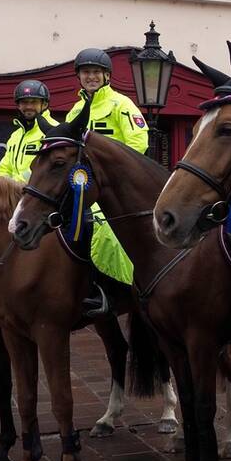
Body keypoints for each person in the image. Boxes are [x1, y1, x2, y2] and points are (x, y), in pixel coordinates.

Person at [66, 48, 151, 316]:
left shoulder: (121, 104)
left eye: (95, 72)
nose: (90, 77)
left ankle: (115, 291)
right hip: (83, 187)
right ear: (79, 77)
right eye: (85, 72)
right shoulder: (75, 111)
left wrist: (115, 171)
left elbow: (139, 141)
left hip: (115, 187)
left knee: (103, 232)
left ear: (106, 76)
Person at [0, 79, 59, 183]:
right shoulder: (15, 135)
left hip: (39, 195)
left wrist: (15, 184)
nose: (29, 107)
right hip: (13, 193)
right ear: (19, 105)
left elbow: (46, 168)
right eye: (24, 102)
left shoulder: (54, 129)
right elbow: (4, 167)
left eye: (34, 102)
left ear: (44, 104)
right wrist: (4, 186)